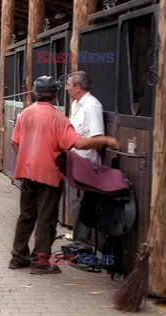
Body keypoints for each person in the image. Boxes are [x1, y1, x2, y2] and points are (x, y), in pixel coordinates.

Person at [8, 75, 120, 275]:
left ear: (35, 93)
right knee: (46, 220)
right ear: (56, 95)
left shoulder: (25, 113)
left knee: (25, 217)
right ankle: (40, 263)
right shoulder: (58, 118)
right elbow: (78, 144)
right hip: (49, 175)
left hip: (27, 173)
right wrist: (106, 140)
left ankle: (18, 258)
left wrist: (26, 160)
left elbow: (14, 142)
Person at [64, 71, 104, 253]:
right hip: (74, 162)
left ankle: (84, 245)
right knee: (74, 203)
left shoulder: (92, 106)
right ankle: (78, 242)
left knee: (81, 204)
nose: (66, 88)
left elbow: (98, 137)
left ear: (77, 88)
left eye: (69, 85)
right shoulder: (76, 105)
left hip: (86, 163)